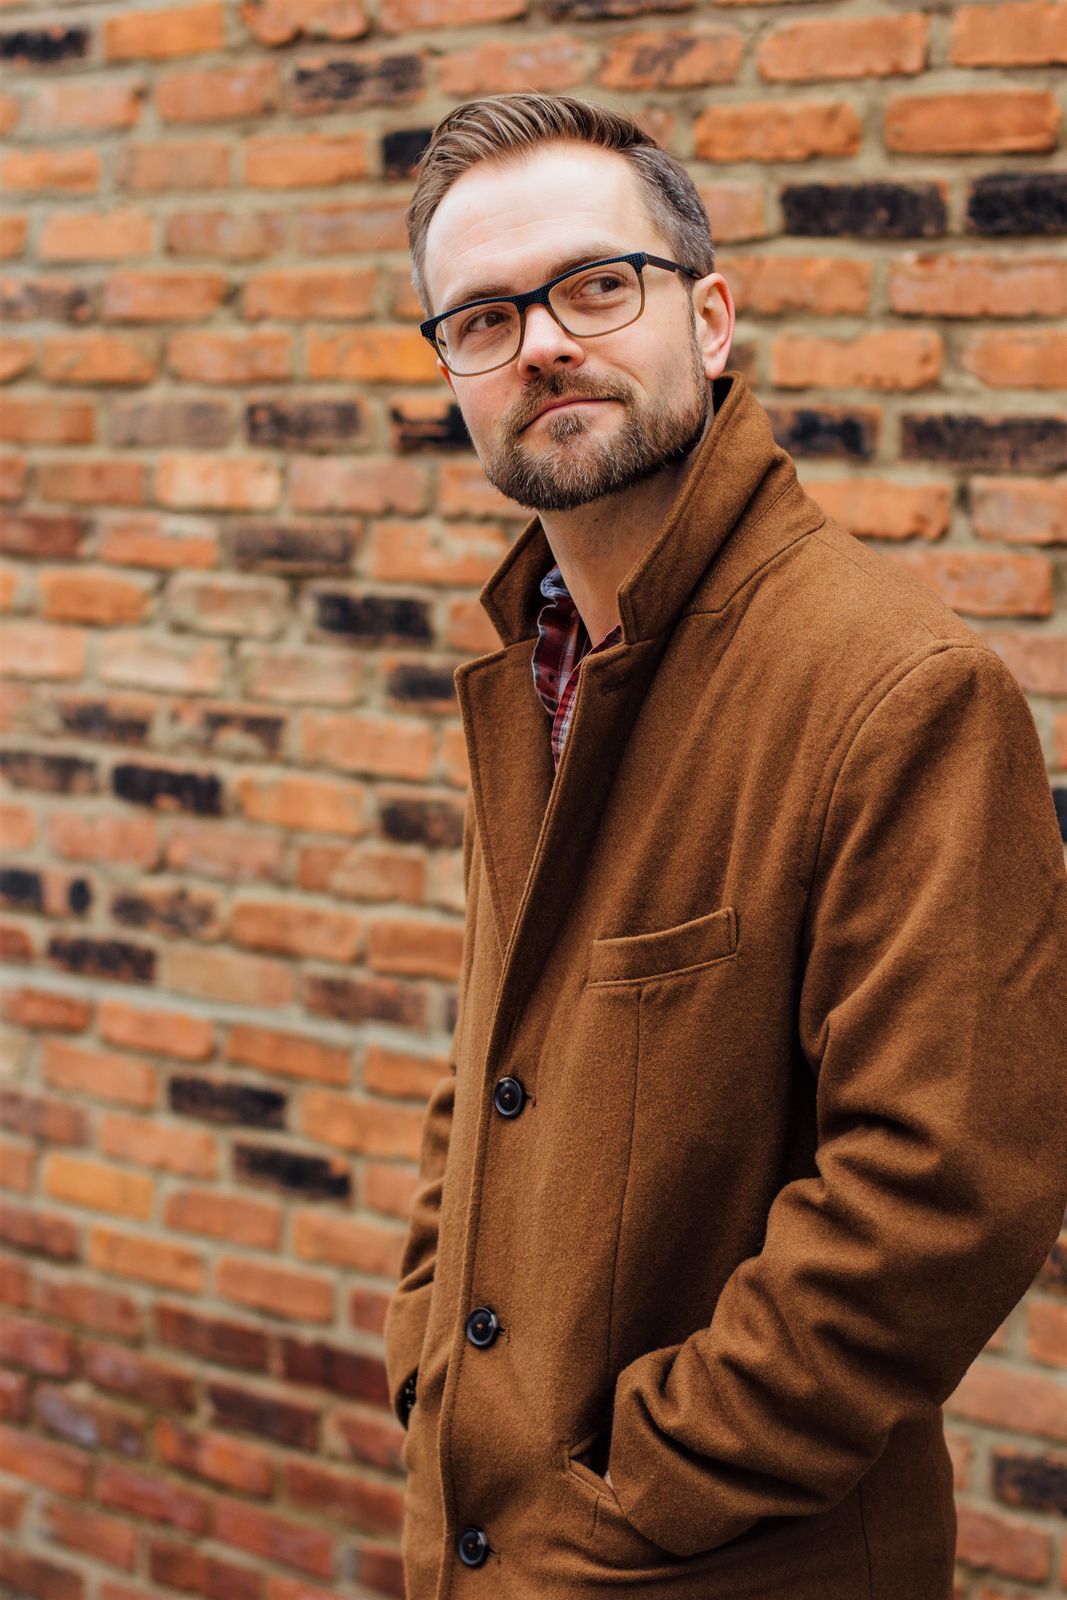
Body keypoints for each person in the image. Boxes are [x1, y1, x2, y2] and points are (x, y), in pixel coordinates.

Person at [383, 92, 1067, 1599]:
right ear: (450, 375)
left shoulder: (897, 691)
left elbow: (942, 1202)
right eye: (482, 318)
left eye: (594, 286)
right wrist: (430, 1367)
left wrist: (619, 1500)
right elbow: (491, 1068)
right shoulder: (543, 662)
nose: (541, 343)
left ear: (708, 320)